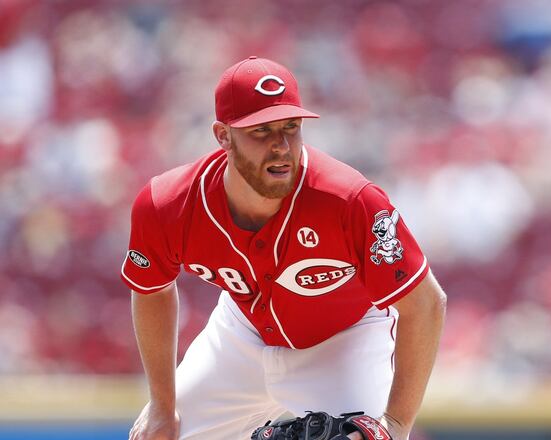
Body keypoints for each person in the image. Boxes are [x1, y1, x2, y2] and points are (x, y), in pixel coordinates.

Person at [121, 56, 447, 440]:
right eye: (261, 130)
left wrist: (394, 426)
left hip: (345, 339)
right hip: (241, 333)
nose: (281, 146)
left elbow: (426, 304)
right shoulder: (167, 204)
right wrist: (162, 406)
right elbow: (152, 289)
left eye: (291, 127)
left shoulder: (349, 200)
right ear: (223, 135)